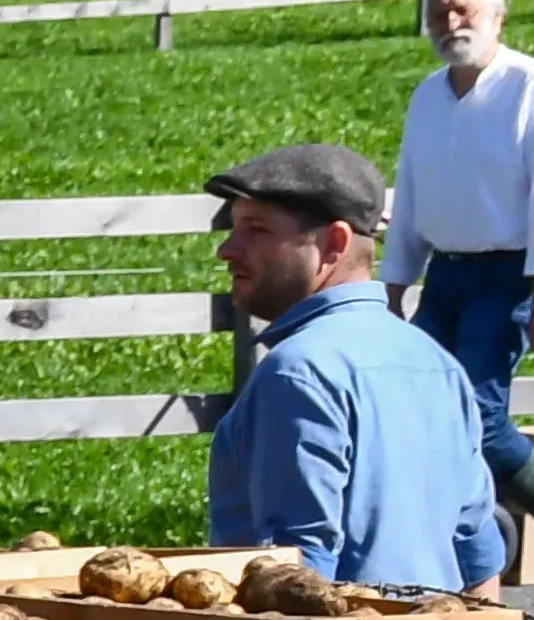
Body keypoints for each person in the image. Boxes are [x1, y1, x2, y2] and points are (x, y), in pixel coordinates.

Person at [205, 144, 507, 595]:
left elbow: (299, 574)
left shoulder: (297, 374)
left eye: (256, 229)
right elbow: (478, 557)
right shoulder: (436, 364)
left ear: (334, 243)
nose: (227, 249)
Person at [381, 0, 534, 600]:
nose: (452, 25)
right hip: (446, 272)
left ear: (498, 18)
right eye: (440, 15)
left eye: (464, 13)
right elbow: (413, 189)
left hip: (509, 273)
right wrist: (395, 284)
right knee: (420, 404)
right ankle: (457, 542)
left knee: (475, 411)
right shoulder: (428, 95)